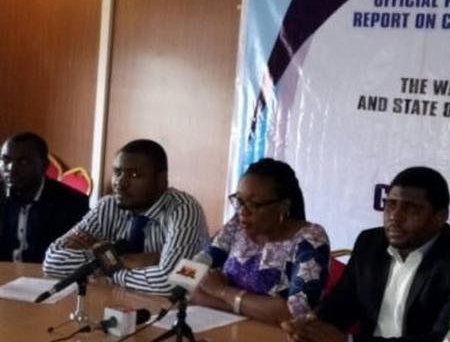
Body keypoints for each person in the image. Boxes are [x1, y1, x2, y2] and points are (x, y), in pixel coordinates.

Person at [282, 166, 450, 342]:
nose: (395, 216)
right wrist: (310, 328)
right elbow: (343, 302)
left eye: (410, 208)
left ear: (440, 216)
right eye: (391, 205)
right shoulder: (370, 243)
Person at [43, 139, 209, 295]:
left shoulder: (184, 210)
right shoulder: (108, 205)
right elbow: (52, 261)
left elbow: (175, 283)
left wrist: (108, 267)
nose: (120, 183)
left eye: (134, 175)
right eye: (118, 172)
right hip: (116, 302)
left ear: (161, 180)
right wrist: (117, 259)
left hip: (173, 314)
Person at [190, 158, 329, 325]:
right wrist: (256, 308)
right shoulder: (236, 226)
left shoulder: (310, 238)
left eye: (254, 204)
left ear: (284, 205)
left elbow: (294, 315)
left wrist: (222, 291)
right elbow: (185, 278)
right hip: (225, 329)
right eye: (239, 201)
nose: (243, 211)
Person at [0, 132, 88, 263]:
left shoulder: (73, 203)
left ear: (44, 165)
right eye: (6, 160)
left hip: (47, 279)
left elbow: (77, 257)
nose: (11, 169)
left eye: (23, 161)